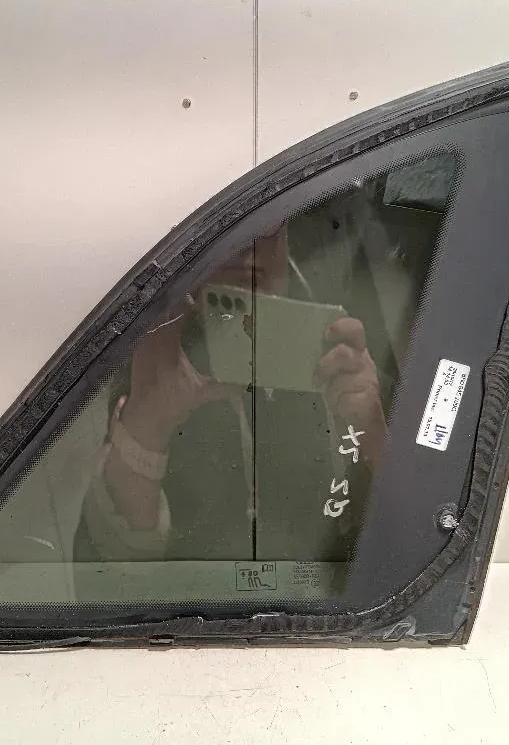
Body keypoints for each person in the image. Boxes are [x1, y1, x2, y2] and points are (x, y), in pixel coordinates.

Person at [75, 220, 393, 565]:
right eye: (225, 229)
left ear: (287, 235)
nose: (247, 248)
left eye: (268, 227)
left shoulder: (338, 343)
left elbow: (411, 522)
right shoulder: (160, 356)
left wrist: (372, 429)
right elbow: (112, 568)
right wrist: (148, 425)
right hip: (206, 592)